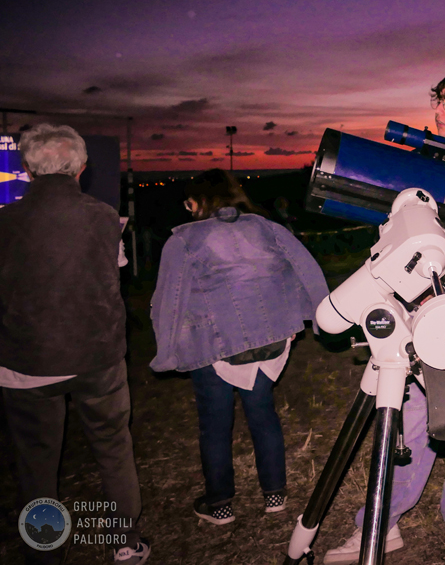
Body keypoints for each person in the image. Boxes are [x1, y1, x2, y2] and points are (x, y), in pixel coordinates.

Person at [325, 72, 445, 563]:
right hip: (421, 306)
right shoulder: (425, 164)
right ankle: (383, 524)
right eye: (439, 99)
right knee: (417, 415)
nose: (440, 108)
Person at [0, 124, 149, 564]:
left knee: (35, 462)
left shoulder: (4, 223)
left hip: (24, 361)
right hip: (96, 357)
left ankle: (44, 549)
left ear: (27, 170)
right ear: (81, 168)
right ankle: (125, 540)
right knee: (112, 445)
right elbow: (113, 272)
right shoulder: (104, 217)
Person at [150, 169, 329, 525]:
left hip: (214, 344)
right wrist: (315, 318)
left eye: (190, 203)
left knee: (215, 426)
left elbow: (169, 299)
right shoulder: (268, 228)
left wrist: (166, 353)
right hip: (270, 340)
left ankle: (220, 505)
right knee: (263, 414)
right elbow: (305, 272)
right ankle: (275, 495)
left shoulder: (184, 239)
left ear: (199, 201)